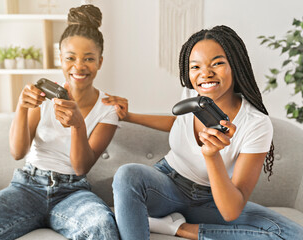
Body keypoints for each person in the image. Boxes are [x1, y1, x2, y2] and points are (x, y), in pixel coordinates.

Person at [102, 25, 303, 239]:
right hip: (166, 187)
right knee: (128, 174)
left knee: (292, 234)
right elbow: (179, 123)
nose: (205, 74)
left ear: (235, 65)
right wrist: (130, 116)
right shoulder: (193, 91)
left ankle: (176, 227)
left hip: (212, 200)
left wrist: (212, 155)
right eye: (195, 66)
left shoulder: (256, 123)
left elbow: (230, 210)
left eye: (217, 63)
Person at [0, 4, 120, 240]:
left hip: (73, 193)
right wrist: (21, 106)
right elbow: (17, 152)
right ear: (60, 59)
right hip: (27, 187)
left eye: (89, 58)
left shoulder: (107, 110)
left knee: (103, 228)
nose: (79, 66)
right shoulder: (44, 97)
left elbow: (81, 167)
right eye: (70, 58)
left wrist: (78, 125)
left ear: (100, 61)